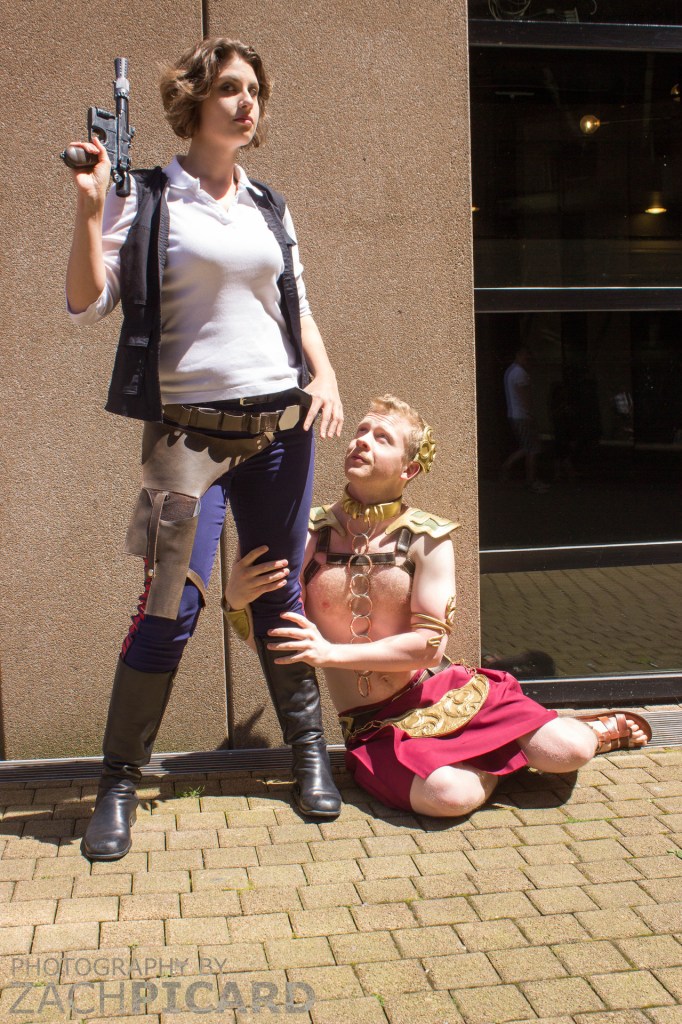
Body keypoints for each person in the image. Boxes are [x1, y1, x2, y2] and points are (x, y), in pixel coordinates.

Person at [65, 37, 344, 861]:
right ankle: (119, 780)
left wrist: (325, 374)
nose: (245, 102)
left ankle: (309, 754)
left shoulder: (268, 204)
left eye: (253, 89)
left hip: (277, 433)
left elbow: (296, 302)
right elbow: (86, 301)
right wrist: (90, 210)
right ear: (194, 101)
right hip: (186, 440)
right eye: (228, 87)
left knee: (278, 595)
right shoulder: (148, 196)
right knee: (171, 606)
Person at [224, 395, 651, 817]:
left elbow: (429, 647)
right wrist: (237, 602)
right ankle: (502, 762)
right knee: (449, 797)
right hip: (375, 726)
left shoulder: (427, 538)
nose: (362, 441)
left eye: (382, 438)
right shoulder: (306, 533)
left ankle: (590, 730)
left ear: (408, 469)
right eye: (361, 431)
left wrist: (329, 653)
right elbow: (280, 644)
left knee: (568, 751)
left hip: (449, 693)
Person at [501, 346, 548, 493]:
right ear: (520, 355)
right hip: (523, 416)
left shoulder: (510, 371)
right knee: (532, 448)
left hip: (515, 414)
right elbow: (525, 398)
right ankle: (530, 480)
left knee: (528, 447)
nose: (528, 360)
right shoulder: (520, 374)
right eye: (527, 357)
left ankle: (512, 468)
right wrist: (532, 415)